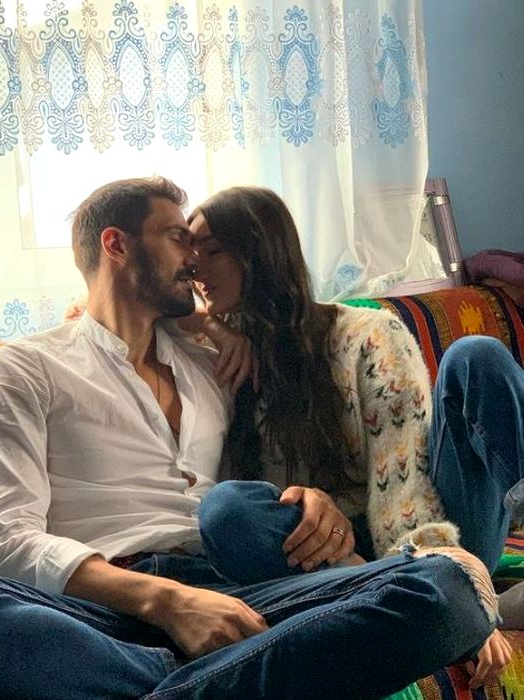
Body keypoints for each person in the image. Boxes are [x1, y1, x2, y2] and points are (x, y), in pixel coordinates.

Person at [0, 178, 500, 699]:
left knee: (449, 588)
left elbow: (259, 483)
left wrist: (311, 498)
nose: (193, 260)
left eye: (201, 246)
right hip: (99, 610)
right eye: (178, 238)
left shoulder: (215, 365)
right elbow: (3, 541)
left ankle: (163, 684)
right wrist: (168, 602)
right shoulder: (27, 366)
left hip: (239, 593)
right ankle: (195, 677)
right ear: (116, 245)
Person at [188, 184, 524, 685]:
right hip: (325, 556)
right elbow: (113, 303)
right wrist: (211, 327)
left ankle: (456, 592)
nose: (194, 266)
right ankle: (430, 602)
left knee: (476, 356)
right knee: (226, 509)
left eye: (212, 250)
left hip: (423, 530)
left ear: (260, 252)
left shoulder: (368, 336)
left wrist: (445, 573)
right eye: (189, 252)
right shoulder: (219, 352)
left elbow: (403, 485)